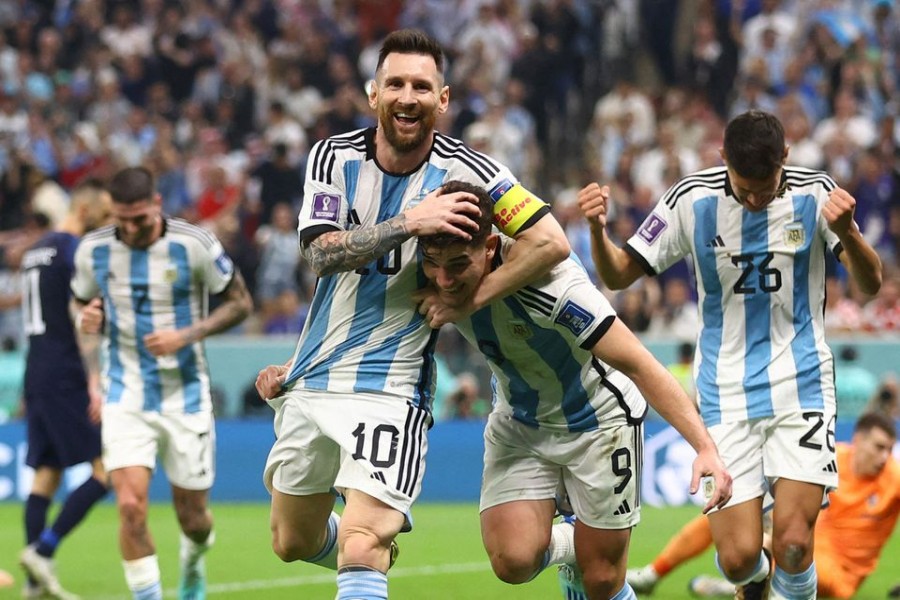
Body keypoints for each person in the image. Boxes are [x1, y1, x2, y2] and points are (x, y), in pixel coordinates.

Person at [253, 28, 571, 600]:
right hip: (314, 376)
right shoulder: (333, 156)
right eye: (395, 84)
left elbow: (551, 242)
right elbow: (320, 253)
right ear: (373, 94)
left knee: (358, 545)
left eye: (422, 87)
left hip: (391, 385)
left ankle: (372, 538)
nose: (407, 97)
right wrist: (409, 222)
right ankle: (376, 536)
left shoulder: (475, 172)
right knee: (291, 540)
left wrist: (466, 299)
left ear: (442, 99)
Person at [578, 110, 883, 599]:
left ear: (786, 158)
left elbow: (871, 284)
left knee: (795, 545)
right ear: (722, 160)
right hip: (724, 395)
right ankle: (754, 582)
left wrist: (847, 232)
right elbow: (617, 276)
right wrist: (596, 229)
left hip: (801, 384)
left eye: (766, 187)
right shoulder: (690, 200)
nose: (756, 200)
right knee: (739, 559)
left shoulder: (816, 193)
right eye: (745, 189)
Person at [415, 180, 732, 600]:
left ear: (490, 247)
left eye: (457, 264)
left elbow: (640, 363)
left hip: (599, 421)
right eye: (432, 263)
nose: (444, 279)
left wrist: (705, 448)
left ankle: (585, 549)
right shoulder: (424, 279)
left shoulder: (554, 286)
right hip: (520, 422)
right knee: (512, 561)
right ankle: (572, 543)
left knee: (602, 581)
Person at [70, 166, 253, 600]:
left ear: (157, 204)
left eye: (139, 218)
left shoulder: (195, 244)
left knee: (195, 519)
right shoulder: (92, 250)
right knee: (130, 508)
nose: (130, 229)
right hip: (125, 393)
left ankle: (193, 563)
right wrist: (88, 330)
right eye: (121, 220)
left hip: (186, 396)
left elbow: (241, 303)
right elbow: (80, 309)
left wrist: (185, 335)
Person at [627, 411, 900, 599]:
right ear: (858, 440)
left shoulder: (893, 477)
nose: (884, 456)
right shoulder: (832, 456)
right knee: (725, 510)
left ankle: (741, 581)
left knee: (780, 546)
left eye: (888, 449)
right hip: (802, 538)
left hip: (838, 571)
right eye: (878, 447)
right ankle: (653, 574)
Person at [18, 181, 113, 600]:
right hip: (65, 371)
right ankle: (44, 549)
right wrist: (94, 381)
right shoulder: (75, 250)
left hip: (35, 368)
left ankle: (35, 584)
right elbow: (84, 316)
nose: (110, 223)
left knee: (46, 475)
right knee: (105, 469)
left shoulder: (35, 251)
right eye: (106, 214)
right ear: (89, 209)